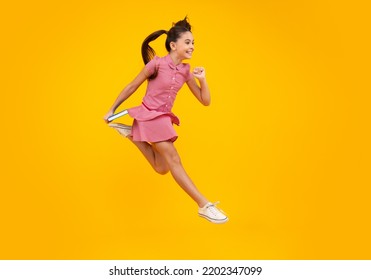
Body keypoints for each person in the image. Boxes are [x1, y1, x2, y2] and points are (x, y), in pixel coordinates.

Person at [103, 17, 228, 224]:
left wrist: (203, 79)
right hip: (148, 115)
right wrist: (112, 109)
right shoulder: (157, 64)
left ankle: (131, 135)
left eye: (193, 43)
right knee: (174, 159)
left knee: (162, 168)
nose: (192, 47)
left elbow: (205, 101)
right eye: (188, 42)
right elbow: (132, 86)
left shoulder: (187, 71)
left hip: (163, 118)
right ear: (173, 45)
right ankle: (204, 205)